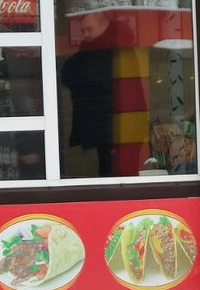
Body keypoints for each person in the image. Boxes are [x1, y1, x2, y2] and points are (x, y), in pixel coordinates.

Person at [60, 10, 142, 176]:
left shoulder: (113, 48)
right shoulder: (108, 46)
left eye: (89, 29)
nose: (85, 35)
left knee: (115, 175)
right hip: (115, 124)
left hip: (116, 125)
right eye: (83, 30)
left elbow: (82, 74)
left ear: (104, 23)